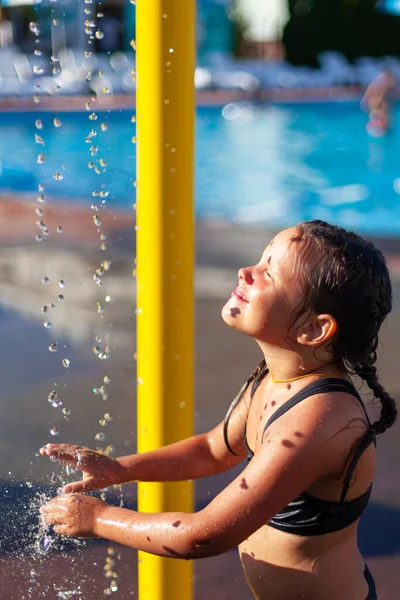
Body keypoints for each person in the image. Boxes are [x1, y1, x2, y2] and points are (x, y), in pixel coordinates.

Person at [40, 220, 396, 600]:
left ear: (313, 329)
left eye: (269, 273)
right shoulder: (275, 378)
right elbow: (215, 449)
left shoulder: (319, 422)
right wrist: (121, 470)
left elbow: (204, 535)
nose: (246, 272)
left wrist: (98, 518)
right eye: (260, 261)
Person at [360, 70, 396, 137]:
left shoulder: (379, 84)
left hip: (370, 103)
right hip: (371, 104)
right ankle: (377, 124)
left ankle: (379, 123)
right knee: (383, 108)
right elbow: (373, 102)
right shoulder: (381, 87)